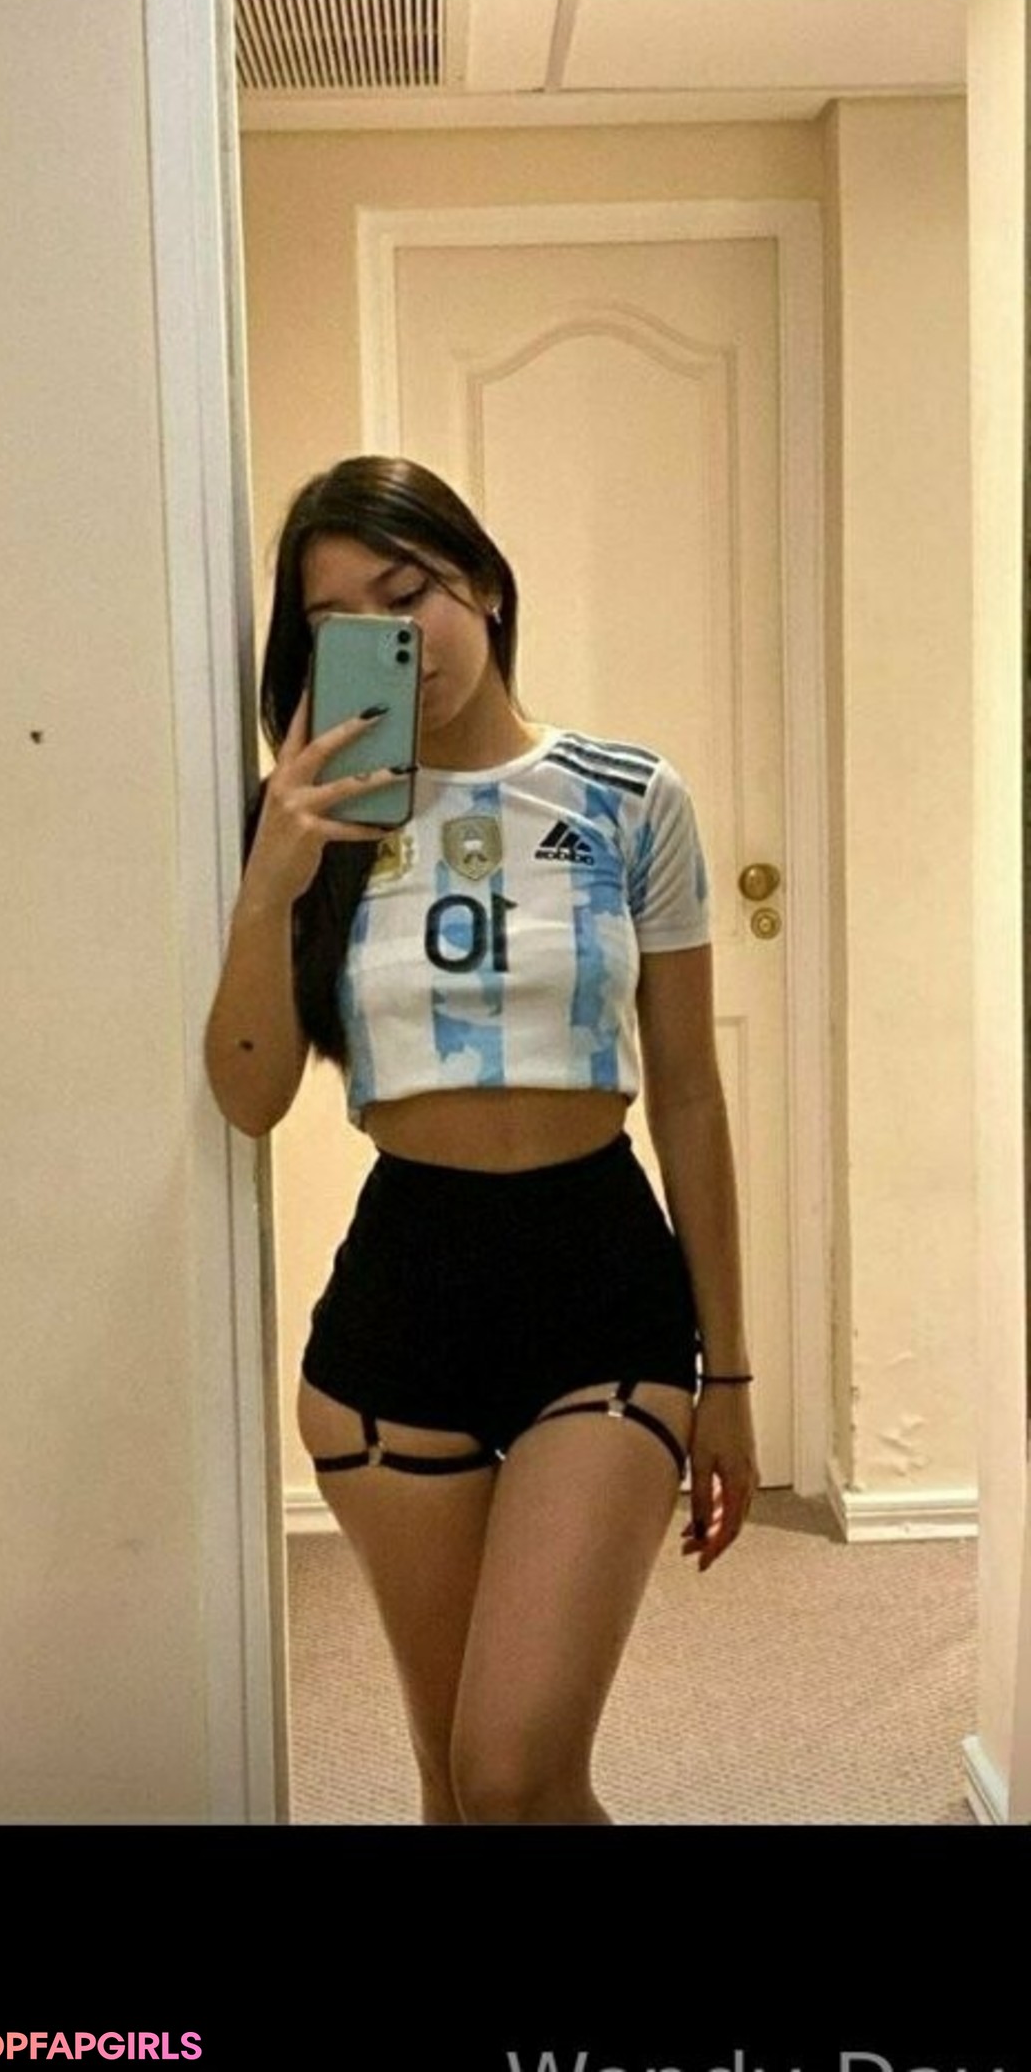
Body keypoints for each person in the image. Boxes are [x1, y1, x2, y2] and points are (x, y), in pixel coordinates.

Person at [205, 454, 759, 1825]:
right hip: (399, 1309)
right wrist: (270, 885)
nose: (393, 639)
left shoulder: (629, 795)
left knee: (515, 1773)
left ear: (486, 586)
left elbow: (689, 1093)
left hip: (601, 1290)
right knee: (453, 1786)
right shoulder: (310, 821)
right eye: (342, 623)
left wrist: (732, 1373)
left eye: (409, 594)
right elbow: (249, 1096)